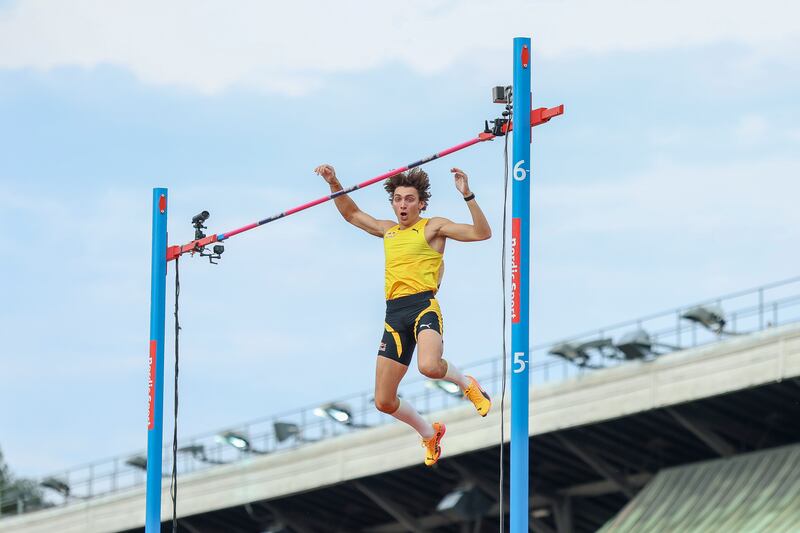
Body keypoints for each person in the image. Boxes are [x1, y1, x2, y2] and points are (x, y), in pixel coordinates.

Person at [314, 163, 492, 466]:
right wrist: (334, 182)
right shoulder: (389, 231)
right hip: (394, 315)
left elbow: (481, 233)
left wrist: (468, 195)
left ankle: (467, 384)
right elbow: (351, 214)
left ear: (421, 203)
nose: (403, 205)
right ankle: (429, 433)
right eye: (398, 199)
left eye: (409, 199)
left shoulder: (433, 226)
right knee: (384, 401)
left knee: (429, 366)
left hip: (423, 306)